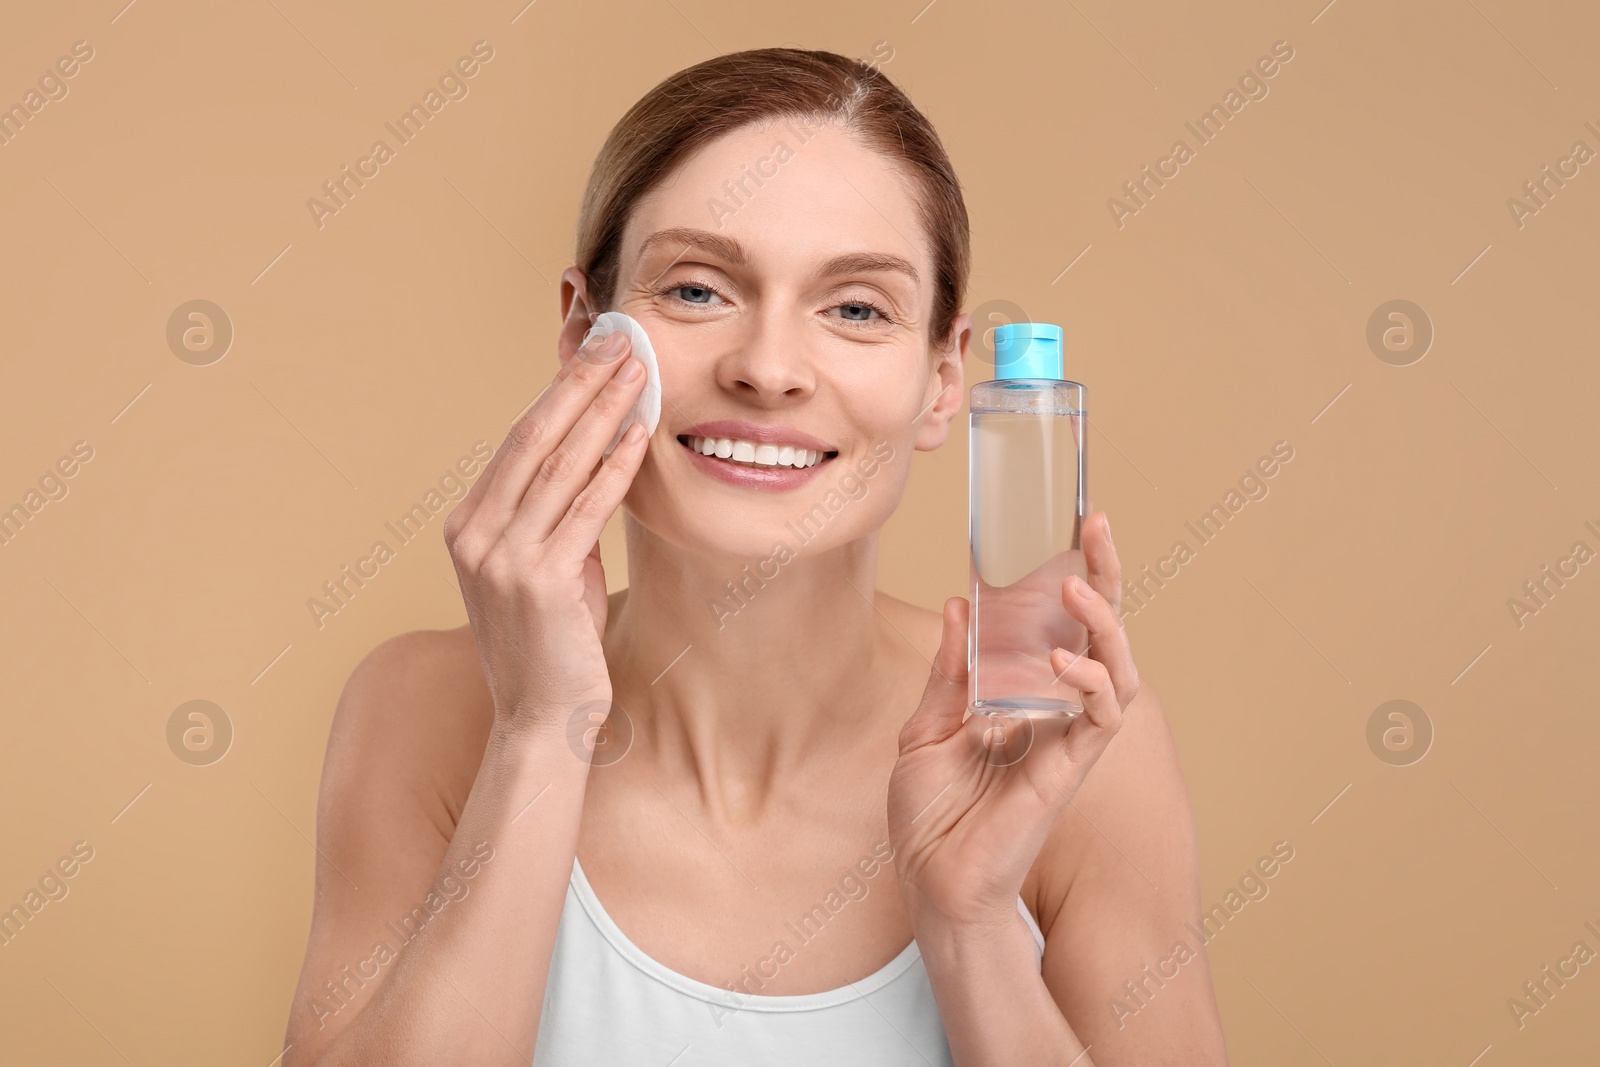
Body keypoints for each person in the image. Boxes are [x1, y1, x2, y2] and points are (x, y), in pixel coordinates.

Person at [284, 46, 1227, 1066]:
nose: (768, 369)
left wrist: (970, 924)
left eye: (857, 308)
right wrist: (540, 729)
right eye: (696, 290)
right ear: (578, 328)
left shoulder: (1067, 744)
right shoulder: (423, 709)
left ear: (944, 381)